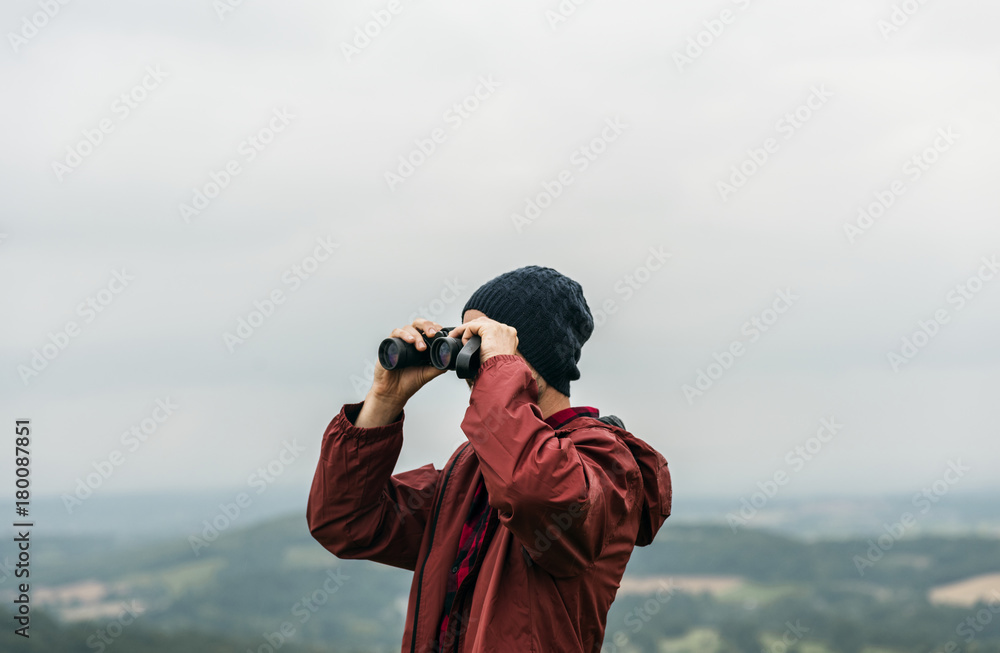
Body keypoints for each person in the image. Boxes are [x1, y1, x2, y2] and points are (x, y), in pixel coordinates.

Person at [307, 265, 672, 653]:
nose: (470, 357)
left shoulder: (607, 462)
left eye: (482, 341)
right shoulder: (472, 472)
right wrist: (384, 399)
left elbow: (537, 492)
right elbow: (346, 521)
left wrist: (500, 366)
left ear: (529, 355)